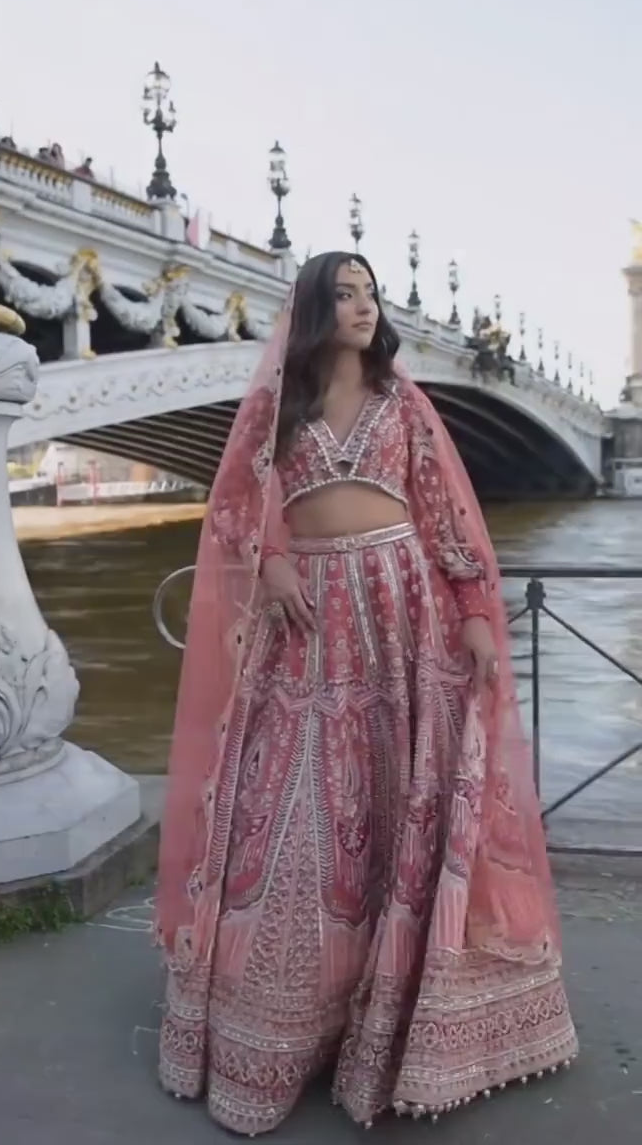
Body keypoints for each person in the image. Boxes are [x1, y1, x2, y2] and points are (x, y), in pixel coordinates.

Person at [155, 251, 577, 1135]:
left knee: (400, 805)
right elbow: (234, 503)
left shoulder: (403, 401)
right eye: (344, 293)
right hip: (307, 625)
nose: (363, 306)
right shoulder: (279, 405)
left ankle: (393, 1031)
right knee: (294, 815)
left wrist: (473, 614)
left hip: (402, 613)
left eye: (371, 293)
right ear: (314, 307)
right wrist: (272, 560)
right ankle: (280, 1031)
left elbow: (445, 514)